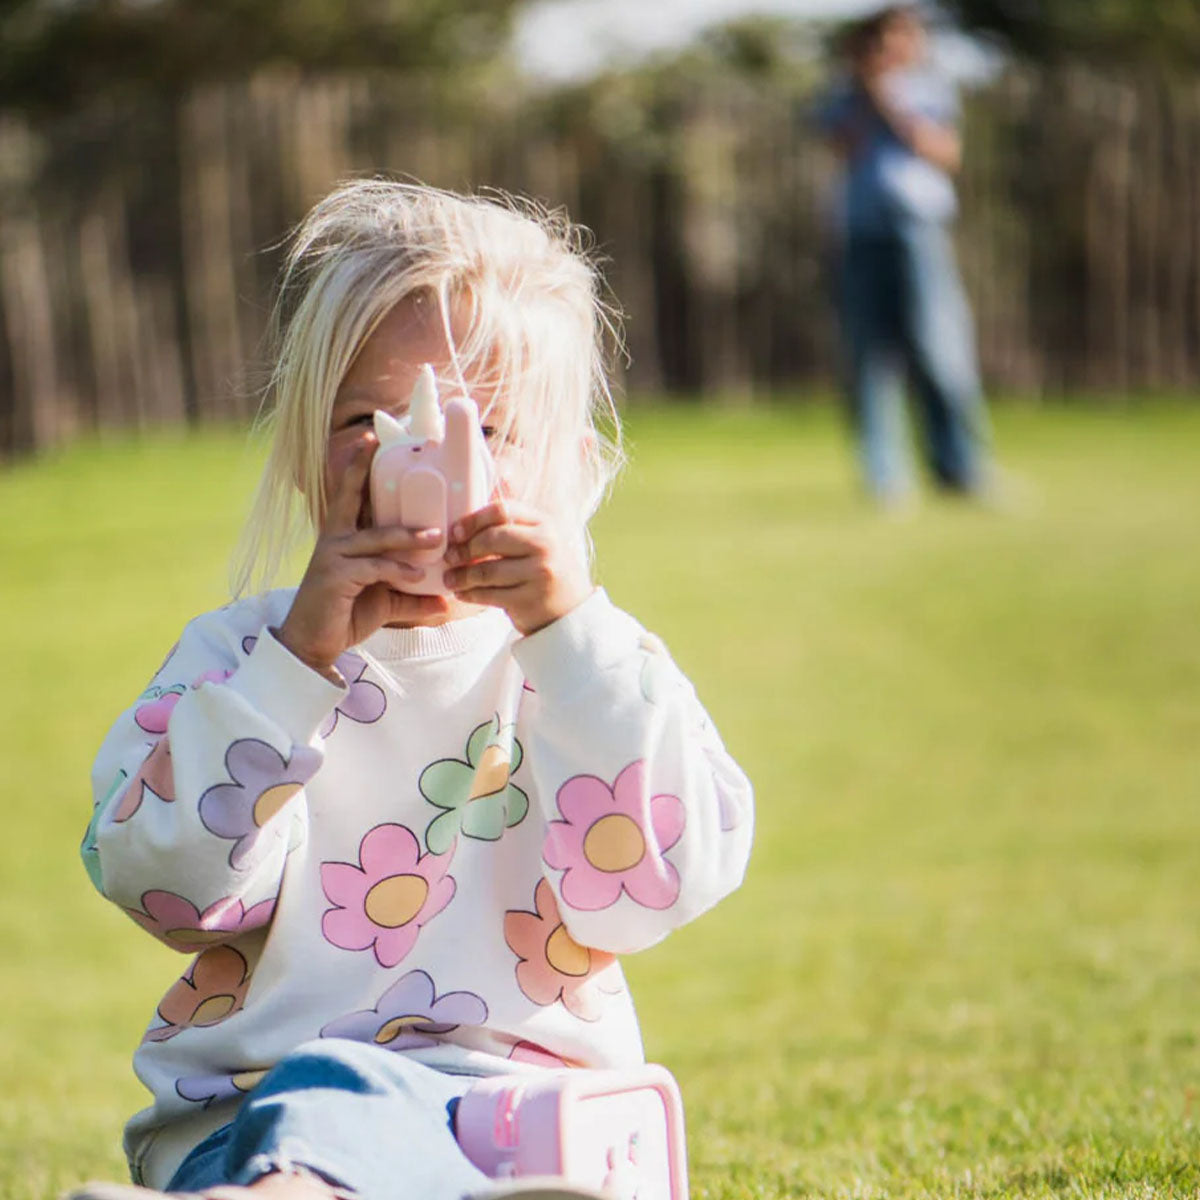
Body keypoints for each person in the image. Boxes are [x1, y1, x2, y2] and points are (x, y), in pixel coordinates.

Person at [71, 181, 754, 1200]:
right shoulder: (241, 659)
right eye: (373, 423)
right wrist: (295, 669)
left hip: (528, 1123)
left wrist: (569, 640)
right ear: (309, 462)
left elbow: (654, 889)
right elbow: (165, 887)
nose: (433, 464)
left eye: (489, 430)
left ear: (572, 473)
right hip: (254, 1118)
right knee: (330, 1092)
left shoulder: (597, 669)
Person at [816, 3, 992, 505]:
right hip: (861, 232)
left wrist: (891, 103)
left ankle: (959, 469)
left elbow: (943, 152)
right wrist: (865, 95)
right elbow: (837, 144)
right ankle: (884, 478)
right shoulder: (844, 95)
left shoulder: (930, 89)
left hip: (919, 228)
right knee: (867, 355)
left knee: (941, 349)